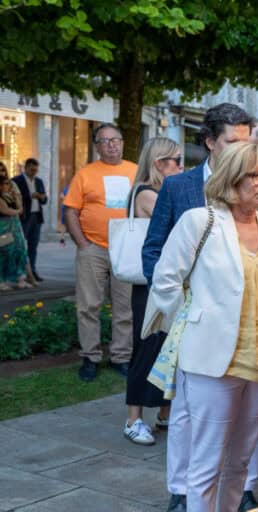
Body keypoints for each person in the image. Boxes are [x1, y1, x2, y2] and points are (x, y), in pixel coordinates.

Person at [143, 141, 258, 512]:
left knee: (241, 461)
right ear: (232, 178)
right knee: (205, 465)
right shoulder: (199, 221)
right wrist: (194, 322)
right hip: (213, 362)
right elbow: (165, 282)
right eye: (255, 175)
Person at [63, 123, 136, 382]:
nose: (111, 144)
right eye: (105, 141)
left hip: (125, 249)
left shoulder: (136, 171)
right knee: (88, 305)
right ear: (96, 146)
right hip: (93, 248)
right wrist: (82, 244)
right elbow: (70, 211)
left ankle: (121, 357)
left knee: (125, 306)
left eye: (116, 139)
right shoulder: (85, 174)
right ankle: (90, 357)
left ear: (122, 143)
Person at [123, 137, 183, 446]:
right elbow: (178, 227)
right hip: (149, 282)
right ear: (159, 163)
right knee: (146, 347)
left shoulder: (157, 192)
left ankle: (164, 412)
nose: (181, 167)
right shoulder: (147, 194)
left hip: (162, 280)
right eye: (177, 160)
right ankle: (133, 419)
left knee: (166, 347)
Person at [12, 158, 47, 281]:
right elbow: (14, 199)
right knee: (19, 246)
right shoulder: (16, 181)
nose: (34, 173)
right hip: (24, 218)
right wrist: (30, 196)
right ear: (26, 168)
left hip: (36, 217)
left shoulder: (39, 181)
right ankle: (18, 272)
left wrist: (42, 197)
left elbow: (44, 200)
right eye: (32, 170)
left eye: (36, 170)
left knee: (33, 246)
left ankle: (32, 271)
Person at [0, 174, 31, 290]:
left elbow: (20, 208)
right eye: (6, 184)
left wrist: (16, 196)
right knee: (5, 253)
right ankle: (1, 281)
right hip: (3, 230)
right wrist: (18, 211)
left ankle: (21, 279)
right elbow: (6, 211)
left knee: (19, 251)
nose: (9, 186)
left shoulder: (9, 197)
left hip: (15, 229)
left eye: (9, 183)